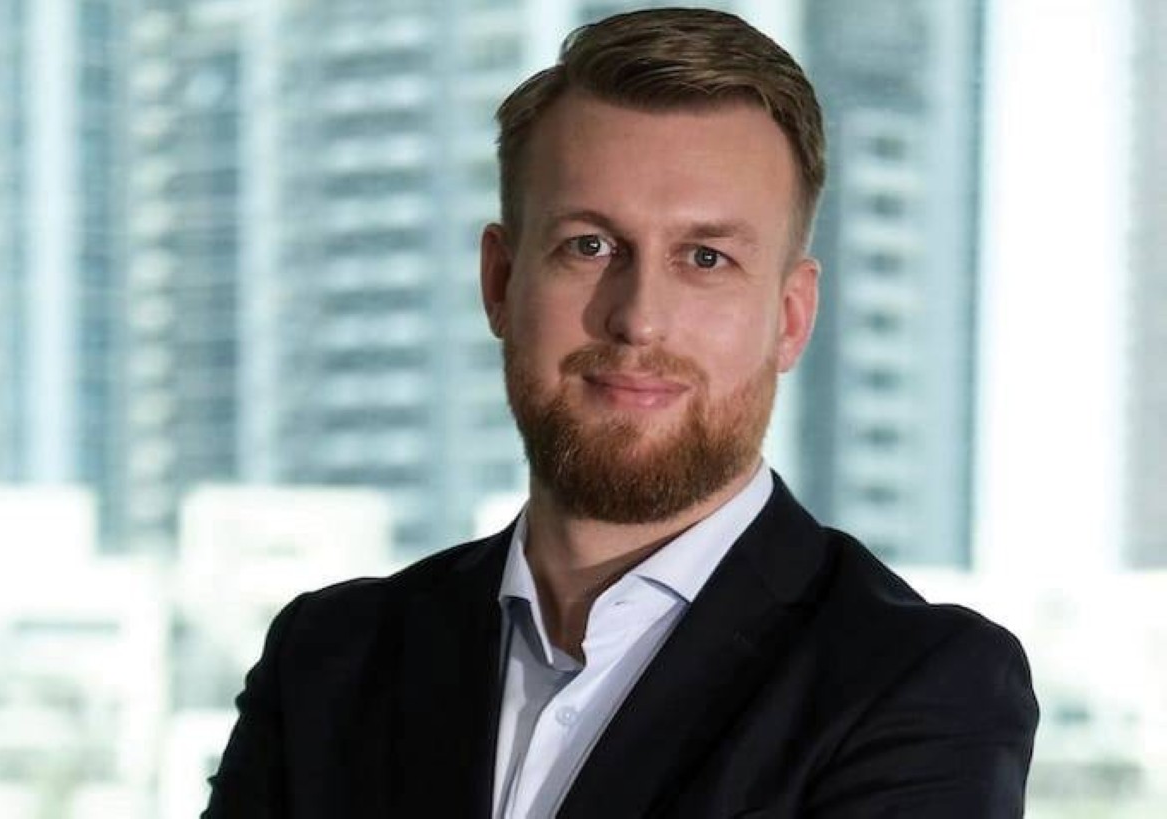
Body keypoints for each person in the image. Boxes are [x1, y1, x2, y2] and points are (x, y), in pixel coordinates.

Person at [204, 8, 1038, 817]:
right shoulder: (328, 660)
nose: (638, 318)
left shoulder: (917, 686)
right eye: (590, 245)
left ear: (791, 316)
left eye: (705, 257)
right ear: (499, 282)